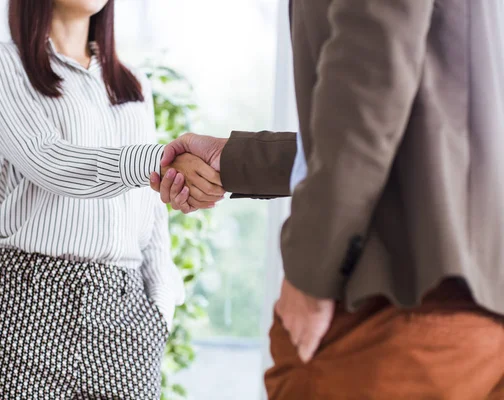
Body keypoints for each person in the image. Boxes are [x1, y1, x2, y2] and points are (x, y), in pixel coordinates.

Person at [152, 0, 504, 398]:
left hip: (390, 299)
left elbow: (370, 80)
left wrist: (313, 272)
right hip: (475, 298)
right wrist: (233, 160)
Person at [0, 0, 224, 398]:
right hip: (25, 304)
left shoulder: (132, 84)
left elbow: (150, 209)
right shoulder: (0, 61)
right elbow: (47, 159)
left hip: (125, 309)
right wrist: (160, 160)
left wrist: (159, 308)